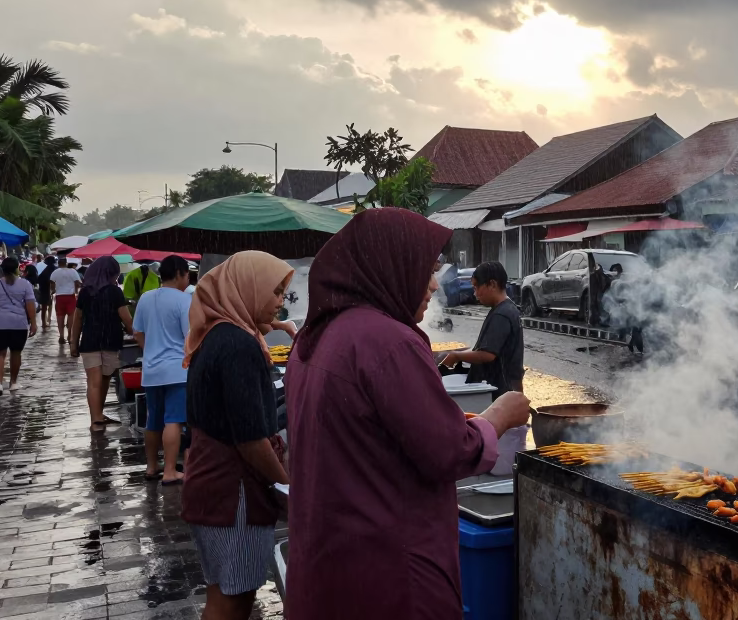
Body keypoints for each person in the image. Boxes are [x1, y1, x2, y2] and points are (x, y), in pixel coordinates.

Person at [285, 209, 530, 620]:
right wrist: (497, 416)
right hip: (390, 574)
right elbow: (449, 451)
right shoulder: (388, 342)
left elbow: (373, 433)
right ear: (389, 267)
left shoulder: (318, 336)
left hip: (330, 563)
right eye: (426, 271)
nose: (434, 285)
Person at [182, 251, 293, 620]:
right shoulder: (238, 346)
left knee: (223, 593)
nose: (280, 302)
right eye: (275, 292)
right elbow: (250, 438)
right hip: (234, 493)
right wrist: (287, 488)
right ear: (249, 289)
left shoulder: (215, 335)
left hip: (210, 481)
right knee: (235, 600)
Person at [133, 255, 192, 485]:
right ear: (178, 273)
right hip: (177, 370)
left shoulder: (146, 298)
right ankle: (169, 470)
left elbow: (137, 331)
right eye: (187, 274)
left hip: (151, 370)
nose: (188, 279)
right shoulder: (183, 300)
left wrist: (149, 350)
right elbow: (190, 337)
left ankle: (151, 467)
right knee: (174, 420)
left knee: (153, 420)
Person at [444, 261, 525, 397]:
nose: (475, 294)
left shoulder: (502, 314)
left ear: (492, 284)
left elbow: (487, 354)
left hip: (501, 391)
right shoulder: (504, 309)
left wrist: (456, 356)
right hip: (506, 389)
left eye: (476, 287)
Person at [69, 257, 133, 429]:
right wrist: (134, 332)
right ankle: (96, 418)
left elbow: (78, 319)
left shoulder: (85, 292)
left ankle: (97, 416)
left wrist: (73, 343)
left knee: (95, 381)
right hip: (110, 340)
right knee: (103, 379)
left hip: (89, 341)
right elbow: (126, 319)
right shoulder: (115, 292)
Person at [0, 257, 37, 396]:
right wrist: (33, 323)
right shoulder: (25, 284)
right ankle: (13, 382)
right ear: (16, 268)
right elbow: (30, 305)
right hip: (19, 323)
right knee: (16, 353)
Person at [50, 257, 82, 344]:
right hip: (70, 297)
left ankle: (61, 336)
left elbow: (52, 283)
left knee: (60, 317)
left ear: (59, 263)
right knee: (71, 317)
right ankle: (69, 335)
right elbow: (78, 283)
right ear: (66, 263)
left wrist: (53, 290)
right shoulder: (72, 271)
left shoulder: (55, 272)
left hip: (59, 297)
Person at [36, 256, 56, 330]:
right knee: (49, 305)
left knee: (44, 307)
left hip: (43, 289)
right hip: (50, 289)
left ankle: (44, 322)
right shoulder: (54, 269)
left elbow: (38, 279)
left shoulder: (44, 269)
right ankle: (48, 320)